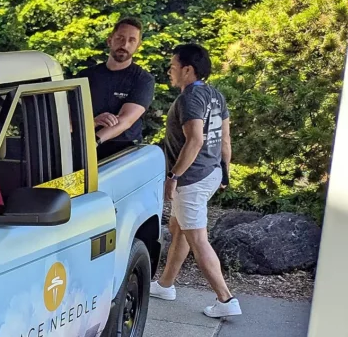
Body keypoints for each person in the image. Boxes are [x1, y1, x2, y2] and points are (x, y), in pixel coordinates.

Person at [150, 43, 240, 318]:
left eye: (173, 66)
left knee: (198, 238)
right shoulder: (215, 95)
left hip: (192, 178)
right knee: (178, 227)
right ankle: (165, 284)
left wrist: (173, 176)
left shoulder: (189, 99)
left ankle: (226, 300)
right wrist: (225, 172)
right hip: (211, 172)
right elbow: (225, 140)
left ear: (187, 70)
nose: (170, 71)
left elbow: (195, 139)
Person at [74, 17, 156, 159]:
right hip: (82, 149)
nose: (124, 44)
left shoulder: (143, 79)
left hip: (124, 154)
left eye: (132, 40)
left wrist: (94, 140)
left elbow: (126, 120)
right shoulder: (85, 76)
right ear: (109, 40)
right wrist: (92, 122)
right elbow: (70, 118)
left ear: (138, 46)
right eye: (120, 38)